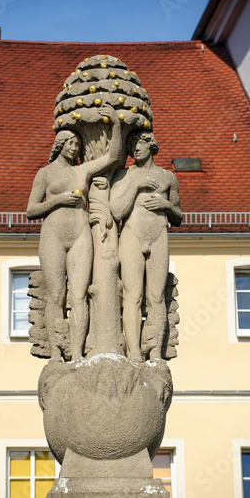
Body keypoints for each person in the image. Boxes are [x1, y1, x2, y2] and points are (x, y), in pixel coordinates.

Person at [26, 105, 121, 361]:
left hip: (80, 234)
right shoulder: (45, 174)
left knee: (79, 295)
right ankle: (57, 353)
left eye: (77, 145)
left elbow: (112, 157)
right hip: (53, 236)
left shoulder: (83, 171)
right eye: (70, 144)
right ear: (60, 144)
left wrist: (116, 124)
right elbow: (31, 210)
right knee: (56, 296)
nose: (74, 148)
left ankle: (77, 352)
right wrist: (57, 201)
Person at [110, 131, 182, 362]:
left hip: (159, 236)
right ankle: (133, 353)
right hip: (132, 236)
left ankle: (155, 352)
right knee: (132, 296)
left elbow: (178, 217)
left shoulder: (168, 177)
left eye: (139, 143)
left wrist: (166, 205)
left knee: (157, 297)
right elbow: (117, 212)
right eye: (131, 146)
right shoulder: (123, 175)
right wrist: (135, 187)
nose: (135, 149)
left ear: (151, 145)